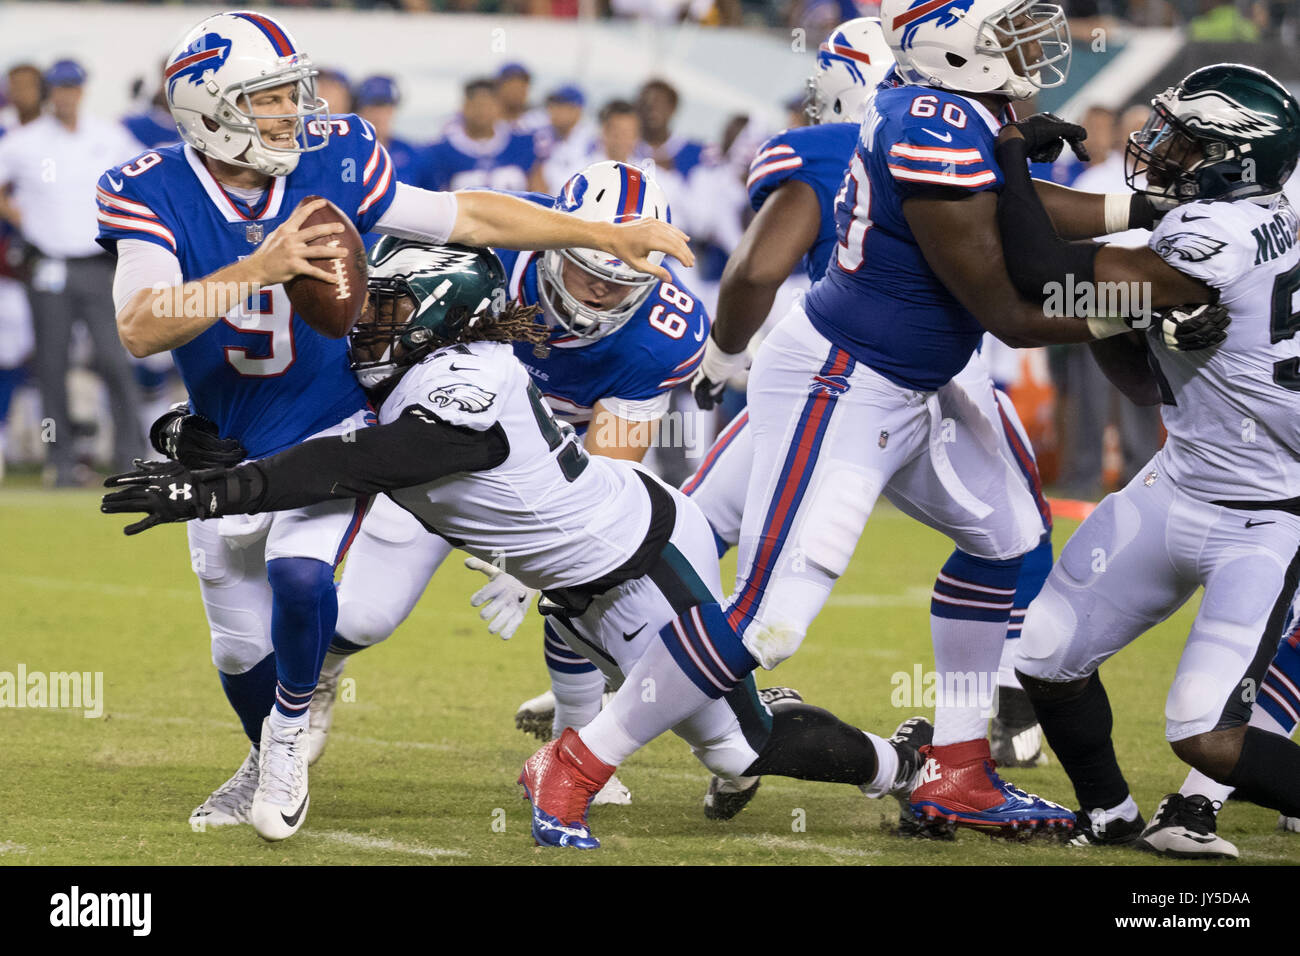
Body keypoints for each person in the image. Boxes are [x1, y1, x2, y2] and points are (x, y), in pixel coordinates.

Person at [512, 0, 1215, 848]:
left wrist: (1139, 215)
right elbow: (1007, 306)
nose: (1031, 44)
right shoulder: (928, 122)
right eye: (1010, 31)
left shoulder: (961, 111)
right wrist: (1135, 306)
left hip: (924, 376)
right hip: (846, 379)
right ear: (953, 52)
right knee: (771, 616)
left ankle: (958, 767)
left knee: (1007, 537)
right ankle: (578, 759)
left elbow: (1014, 205)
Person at [101, 239, 934, 850]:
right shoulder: (410, 363)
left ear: (437, 319)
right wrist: (204, 440)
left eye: (388, 309)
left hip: (640, 561)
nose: (367, 325)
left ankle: (904, 769)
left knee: (740, 744)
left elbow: (367, 459)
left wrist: (216, 492)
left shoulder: (469, 382)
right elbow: (305, 418)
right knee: (714, 731)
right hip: (574, 577)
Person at [96, 9, 691, 844]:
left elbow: (465, 216)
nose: (291, 113)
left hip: (334, 418)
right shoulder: (147, 187)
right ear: (212, 108)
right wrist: (259, 267)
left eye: (289, 94)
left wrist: (599, 233)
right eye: (269, 98)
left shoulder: (333, 154)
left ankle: (289, 739)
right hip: (226, 429)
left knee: (308, 583)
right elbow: (142, 326)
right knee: (238, 652)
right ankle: (268, 743)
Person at [307, 162, 709, 810]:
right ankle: (316, 674)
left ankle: (574, 738)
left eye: (617, 281)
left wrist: (536, 559)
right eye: (587, 271)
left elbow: (606, 474)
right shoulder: (500, 242)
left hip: (536, 479)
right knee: (364, 615)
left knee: (596, 577)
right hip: (433, 451)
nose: (599, 293)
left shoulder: (660, 336)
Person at [1000, 63, 1300, 852]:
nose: (1158, 145)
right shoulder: (1249, 218)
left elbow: (1043, 280)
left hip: (1266, 512)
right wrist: (1131, 319)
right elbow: (1137, 378)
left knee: (1204, 732)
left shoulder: (1217, 237)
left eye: (1184, 138)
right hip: (1180, 481)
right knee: (1045, 653)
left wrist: (1004, 168)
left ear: (1235, 157)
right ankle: (1109, 815)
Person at [0, 58, 146, 486]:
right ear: (51, 93)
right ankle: (59, 459)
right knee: (51, 364)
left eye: (73, 87)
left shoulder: (108, 136)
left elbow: (145, 175)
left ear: (82, 91)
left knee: (113, 359)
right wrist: (18, 215)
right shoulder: (24, 141)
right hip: (48, 263)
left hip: (96, 263)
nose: (67, 95)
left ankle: (130, 456)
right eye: (60, 88)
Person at [417, 78, 537, 192]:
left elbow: (538, 189)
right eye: (477, 105)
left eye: (488, 105)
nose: (482, 111)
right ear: (464, 107)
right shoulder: (440, 151)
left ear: (499, 107)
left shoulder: (523, 143)